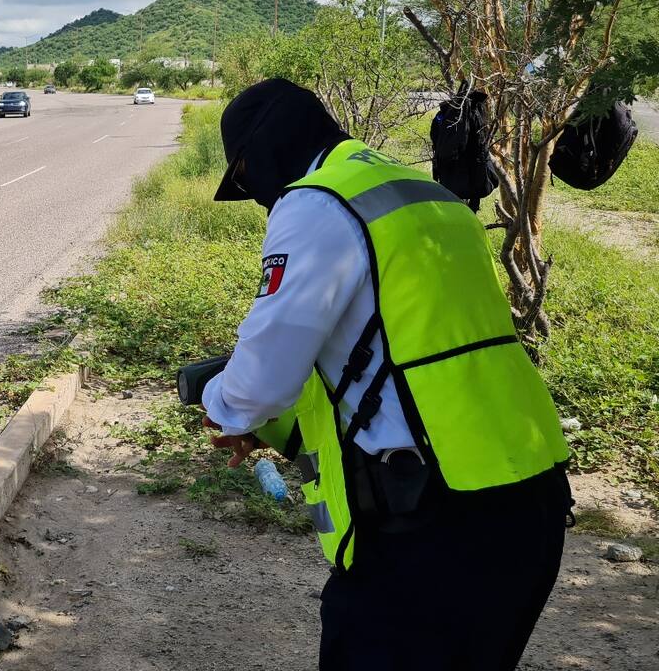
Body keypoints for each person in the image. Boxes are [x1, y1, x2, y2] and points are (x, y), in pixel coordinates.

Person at [200, 79, 572, 670]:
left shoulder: (317, 203)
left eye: (244, 177)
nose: (255, 195)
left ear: (263, 154)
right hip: (533, 498)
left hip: (434, 522)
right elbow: (404, 357)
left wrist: (223, 405)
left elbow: (258, 382)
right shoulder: (426, 194)